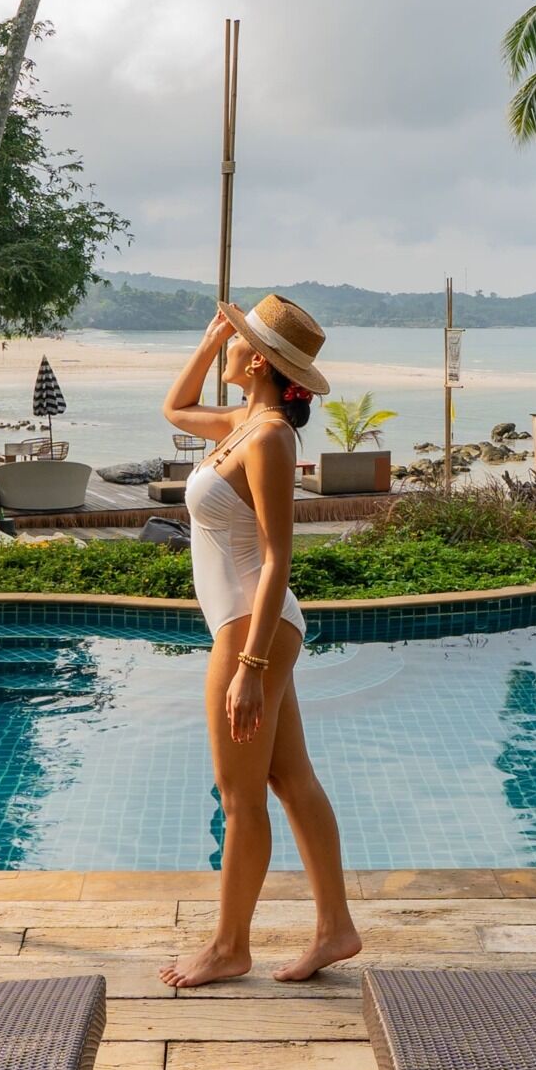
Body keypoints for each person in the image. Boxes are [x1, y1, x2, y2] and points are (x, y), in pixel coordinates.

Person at [158, 294, 362, 990]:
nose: (235, 346)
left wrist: (248, 665)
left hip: (253, 628)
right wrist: (214, 339)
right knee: (287, 778)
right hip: (257, 625)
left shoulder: (271, 437)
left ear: (264, 362)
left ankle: (228, 947)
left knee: (239, 796)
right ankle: (335, 928)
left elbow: (279, 556)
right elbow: (174, 408)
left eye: (243, 339)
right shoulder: (244, 423)